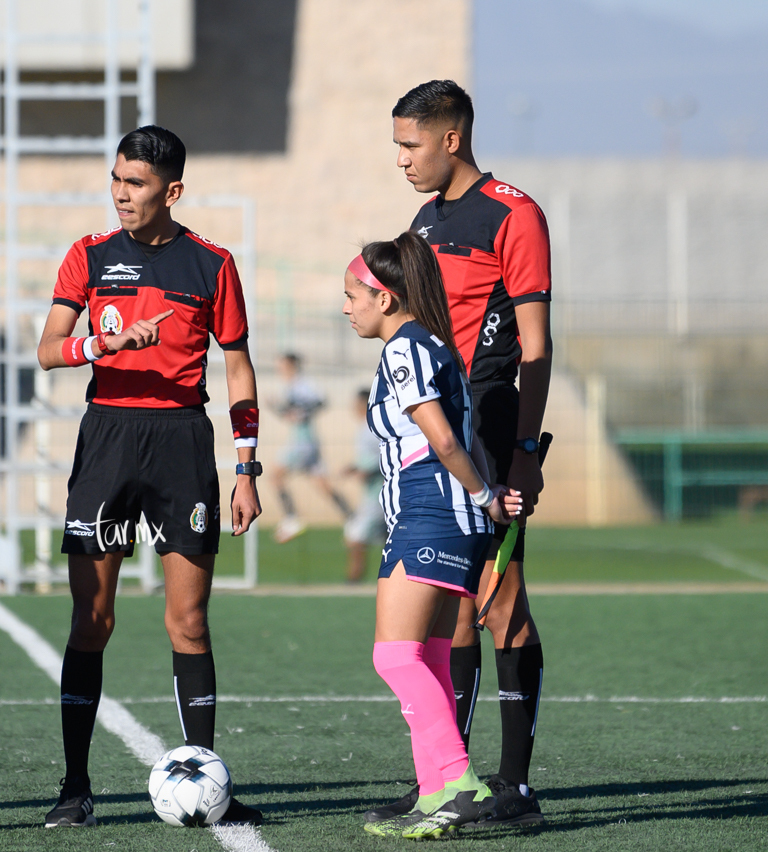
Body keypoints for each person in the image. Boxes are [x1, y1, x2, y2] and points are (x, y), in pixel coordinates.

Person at [36, 125, 264, 828]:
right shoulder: (89, 256)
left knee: (189, 621)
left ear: (173, 191)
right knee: (92, 619)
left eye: (134, 184)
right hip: (106, 437)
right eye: (115, 180)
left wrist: (247, 466)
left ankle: (207, 778)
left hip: (181, 443)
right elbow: (47, 350)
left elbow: (238, 366)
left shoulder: (212, 265)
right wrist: (100, 342)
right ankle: (74, 787)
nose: (120, 195)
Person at [373, 79, 553, 827]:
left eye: (410, 145)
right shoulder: (424, 218)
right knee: (450, 616)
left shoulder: (514, 213)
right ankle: (450, 781)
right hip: (442, 438)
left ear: (452, 138)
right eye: (397, 147)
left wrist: (522, 453)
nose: (402, 161)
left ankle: (513, 788)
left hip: (493, 427)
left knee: (500, 604)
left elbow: (536, 350)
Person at [343, 233, 523, 839]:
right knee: (432, 655)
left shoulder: (405, 350)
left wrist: (481, 496)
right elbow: (463, 441)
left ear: (386, 298)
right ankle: (435, 794)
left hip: (432, 513)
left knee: (392, 654)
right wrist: (491, 496)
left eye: (353, 295)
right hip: (448, 515)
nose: (346, 306)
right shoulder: (432, 345)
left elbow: (445, 442)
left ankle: (460, 781)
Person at [270, 353, 351, 543]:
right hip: (305, 440)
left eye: (282, 365)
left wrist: (301, 409)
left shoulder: (302, 384)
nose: (280, 369)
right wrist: (277, 407)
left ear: (291, 365)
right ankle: (352, 517)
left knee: (275, 476)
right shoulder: (291, 386)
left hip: (302, 443)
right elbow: (291, 413)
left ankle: (291, 519)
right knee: (323, 484)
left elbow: (321, 401)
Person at [342, 389, 383, 582]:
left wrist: (365, 471)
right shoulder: (364, 428)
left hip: (379, 495)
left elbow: (384, 457)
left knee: (356, 535)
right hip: (370, 495)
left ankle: (354, 580)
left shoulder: (373, 428)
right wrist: (353, 467)